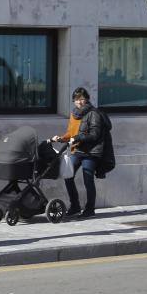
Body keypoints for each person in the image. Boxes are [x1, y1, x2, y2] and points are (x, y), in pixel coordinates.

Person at [51, 87, 105, 218]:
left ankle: (90, 209)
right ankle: (75, 206)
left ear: (87, 99)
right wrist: (62, 138)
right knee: (68, 175)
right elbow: (71, 133)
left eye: (82, 99)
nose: (79, 102)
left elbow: (94, 134)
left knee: (88, 179)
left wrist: (78, 138)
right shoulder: (74, 114)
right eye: (76, 99)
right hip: (78, 150)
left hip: (91, 152)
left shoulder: (94, 113)